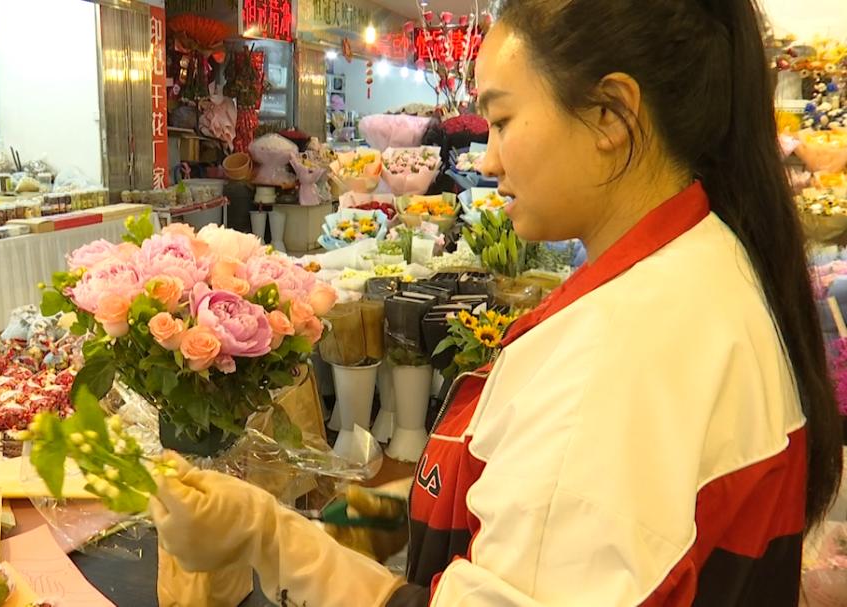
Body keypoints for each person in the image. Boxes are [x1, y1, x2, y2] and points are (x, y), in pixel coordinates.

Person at [149, 0, 844, 605]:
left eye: (503, 120)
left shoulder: (622, 354)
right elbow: (511, 503)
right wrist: (343, 518)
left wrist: (272, 539)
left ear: (610, 115)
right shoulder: (681, 269)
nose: (485, 161)